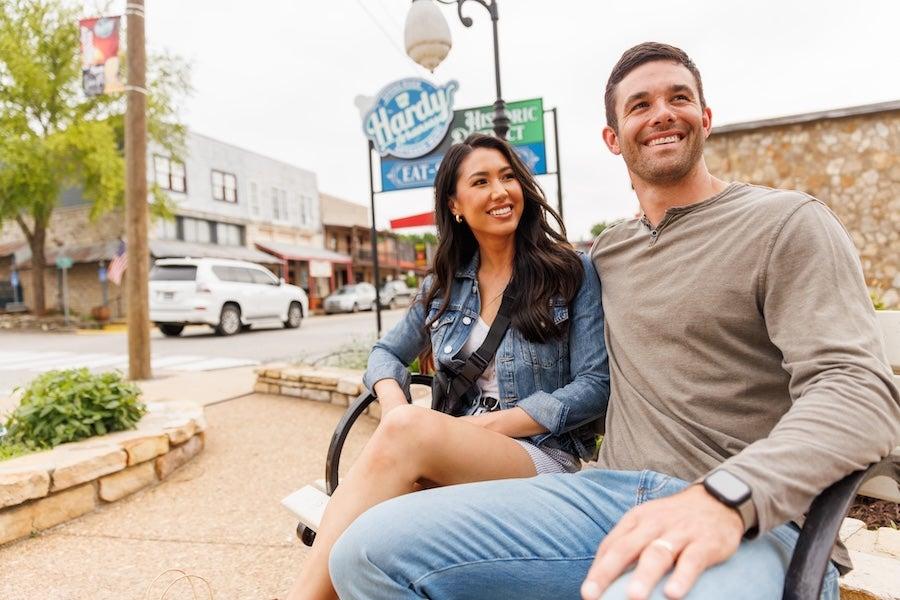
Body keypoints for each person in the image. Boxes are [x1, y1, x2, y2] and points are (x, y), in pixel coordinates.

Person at [326, 43, 900, 600]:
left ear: (705, 116)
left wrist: (729, 495)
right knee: (364, 554)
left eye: (679, 97)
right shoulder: (606, 257)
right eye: (639, 105)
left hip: (752, 517)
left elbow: (859, 393)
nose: (662, 114)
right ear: (612, 137)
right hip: (603, 498)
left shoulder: (786, 224)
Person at [286, 133, 610, 600]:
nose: (500, 191)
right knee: (366, 535)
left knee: (395, 459)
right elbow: (384, 355)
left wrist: (490, 425)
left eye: (508, 177)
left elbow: (594, 386)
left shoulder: (571, 272)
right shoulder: (443, 286)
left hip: (539, 457)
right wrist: (398, 408)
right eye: (481, 181)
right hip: (448, 452)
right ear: (456, 205)